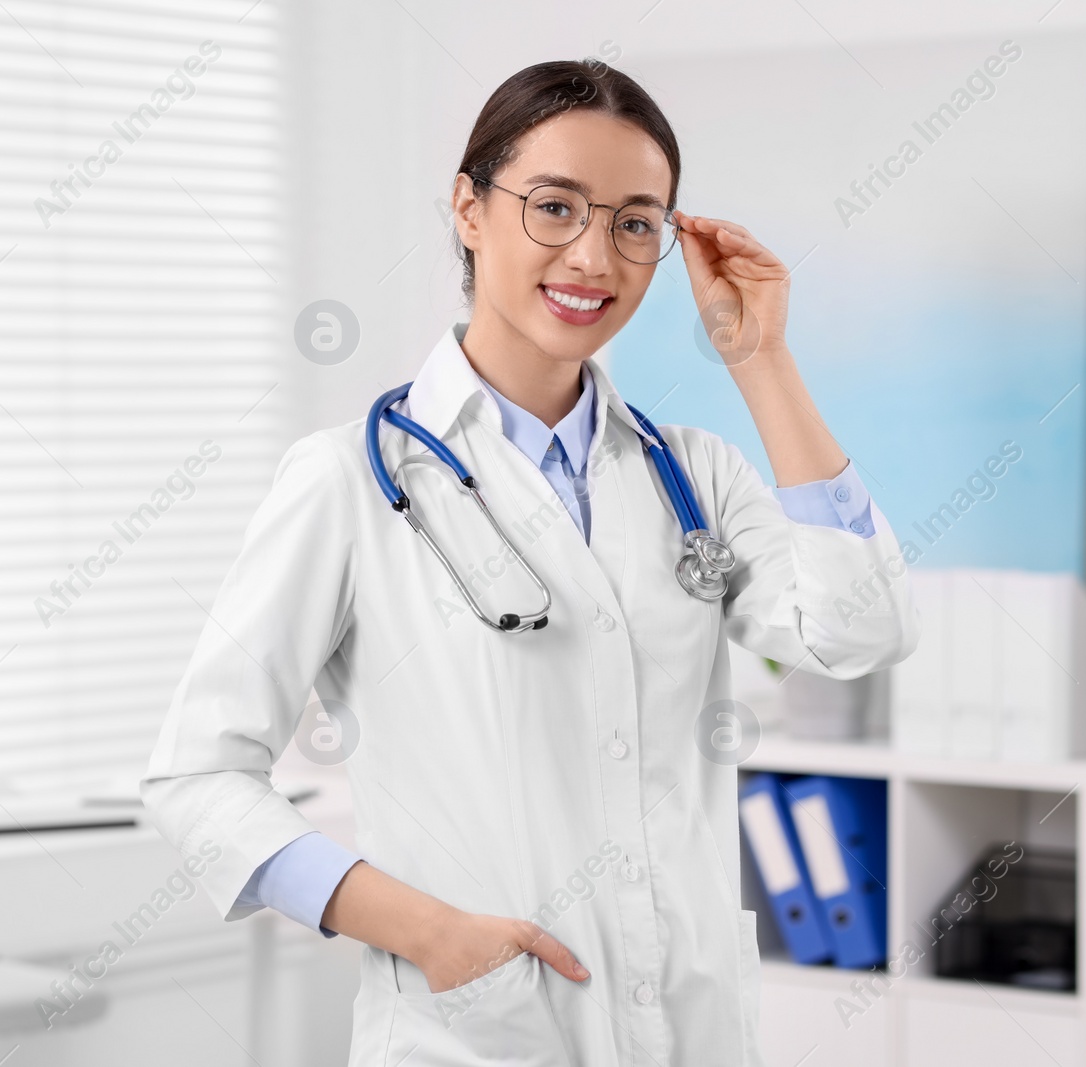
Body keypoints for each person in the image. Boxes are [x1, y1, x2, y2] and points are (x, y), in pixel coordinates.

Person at [141, 58, 918, 1067]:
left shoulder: (695, 475)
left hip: (688, 1027)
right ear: (469, 207)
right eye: (554, 207)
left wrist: (759, 359)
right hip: (477, 1029)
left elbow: (861, 632)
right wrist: (427, 931)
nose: (593, 256)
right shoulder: (349, 479)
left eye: (636, 222)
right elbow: (196, 775)